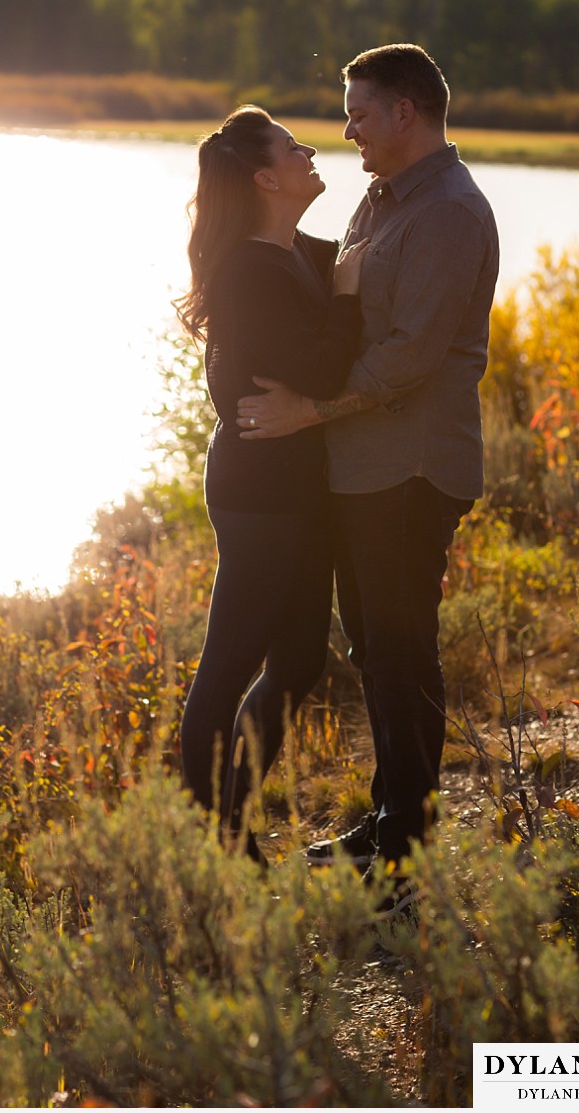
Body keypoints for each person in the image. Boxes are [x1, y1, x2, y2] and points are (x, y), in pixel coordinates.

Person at [237, 44, 499, 882]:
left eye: (357, 111)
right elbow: (336, 295)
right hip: (364, 471)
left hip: (411, 470)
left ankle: (408, 858)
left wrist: (307, 409)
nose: (346, 128)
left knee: (402, 650)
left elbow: (407, 357)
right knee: (377, 653)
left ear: (404, 114)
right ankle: (392, 823)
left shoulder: (450, 213)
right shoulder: (380, 201)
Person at [175, 105, 368, 863]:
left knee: (299, 661)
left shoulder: (289, 251)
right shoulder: (251, 273)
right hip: (260, 493)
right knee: (228, 666)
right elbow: (322, 368)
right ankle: (224, 847)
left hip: (297, 489)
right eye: (293, 148)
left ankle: (234, 817)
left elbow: (352, 258)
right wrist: (349, 295)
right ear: (265, 178)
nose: (309, 150)